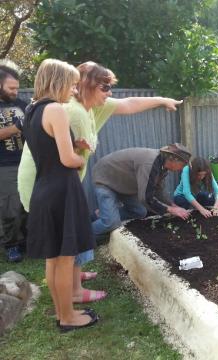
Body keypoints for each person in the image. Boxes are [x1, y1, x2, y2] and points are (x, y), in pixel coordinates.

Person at [18, 61, 183, 303]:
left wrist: (161, 100)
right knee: (67, 241)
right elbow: (64, 159)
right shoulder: (71, 112)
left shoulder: (90, 106)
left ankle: (74, 275)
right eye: (105, 87)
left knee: (70, 238)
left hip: (59, 181)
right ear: (86, 85)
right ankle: (72, 290)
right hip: (49, 184)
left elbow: (129, 104)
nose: (109, 93)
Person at [23, 58, 97, 332]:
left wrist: (71, 145)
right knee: (65, 259)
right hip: (62, 191)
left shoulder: (32, 110)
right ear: (59, 82)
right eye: (73, 85)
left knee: (53, 259)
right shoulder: (56, 108)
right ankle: (68, 318)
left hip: (44, 189)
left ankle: (61, 311)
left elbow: (48, 148)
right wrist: (81, 155)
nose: (75, 91)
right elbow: (67, 160)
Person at [91, 144, 192, 237]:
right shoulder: (150, 163)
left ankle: (104, 214)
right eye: (183, 165)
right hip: (106, 178)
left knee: (139, 212)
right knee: (111, 223)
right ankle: (81, 237)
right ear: (174, 160)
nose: (182, 169)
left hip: (124, 183)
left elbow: (158, 190)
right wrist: (171, 210)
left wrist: (172, 205)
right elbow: (146, 198)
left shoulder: (163, 167)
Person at [0, 60, 27, 262]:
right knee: (10, 207)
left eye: (17, 87)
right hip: (5, 165)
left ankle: (27, 241)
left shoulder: (22, 105)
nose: (15, 91)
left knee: (28, 204)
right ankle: (11, 245)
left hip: (26, 162)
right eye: (11, 88)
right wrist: (17, 127)